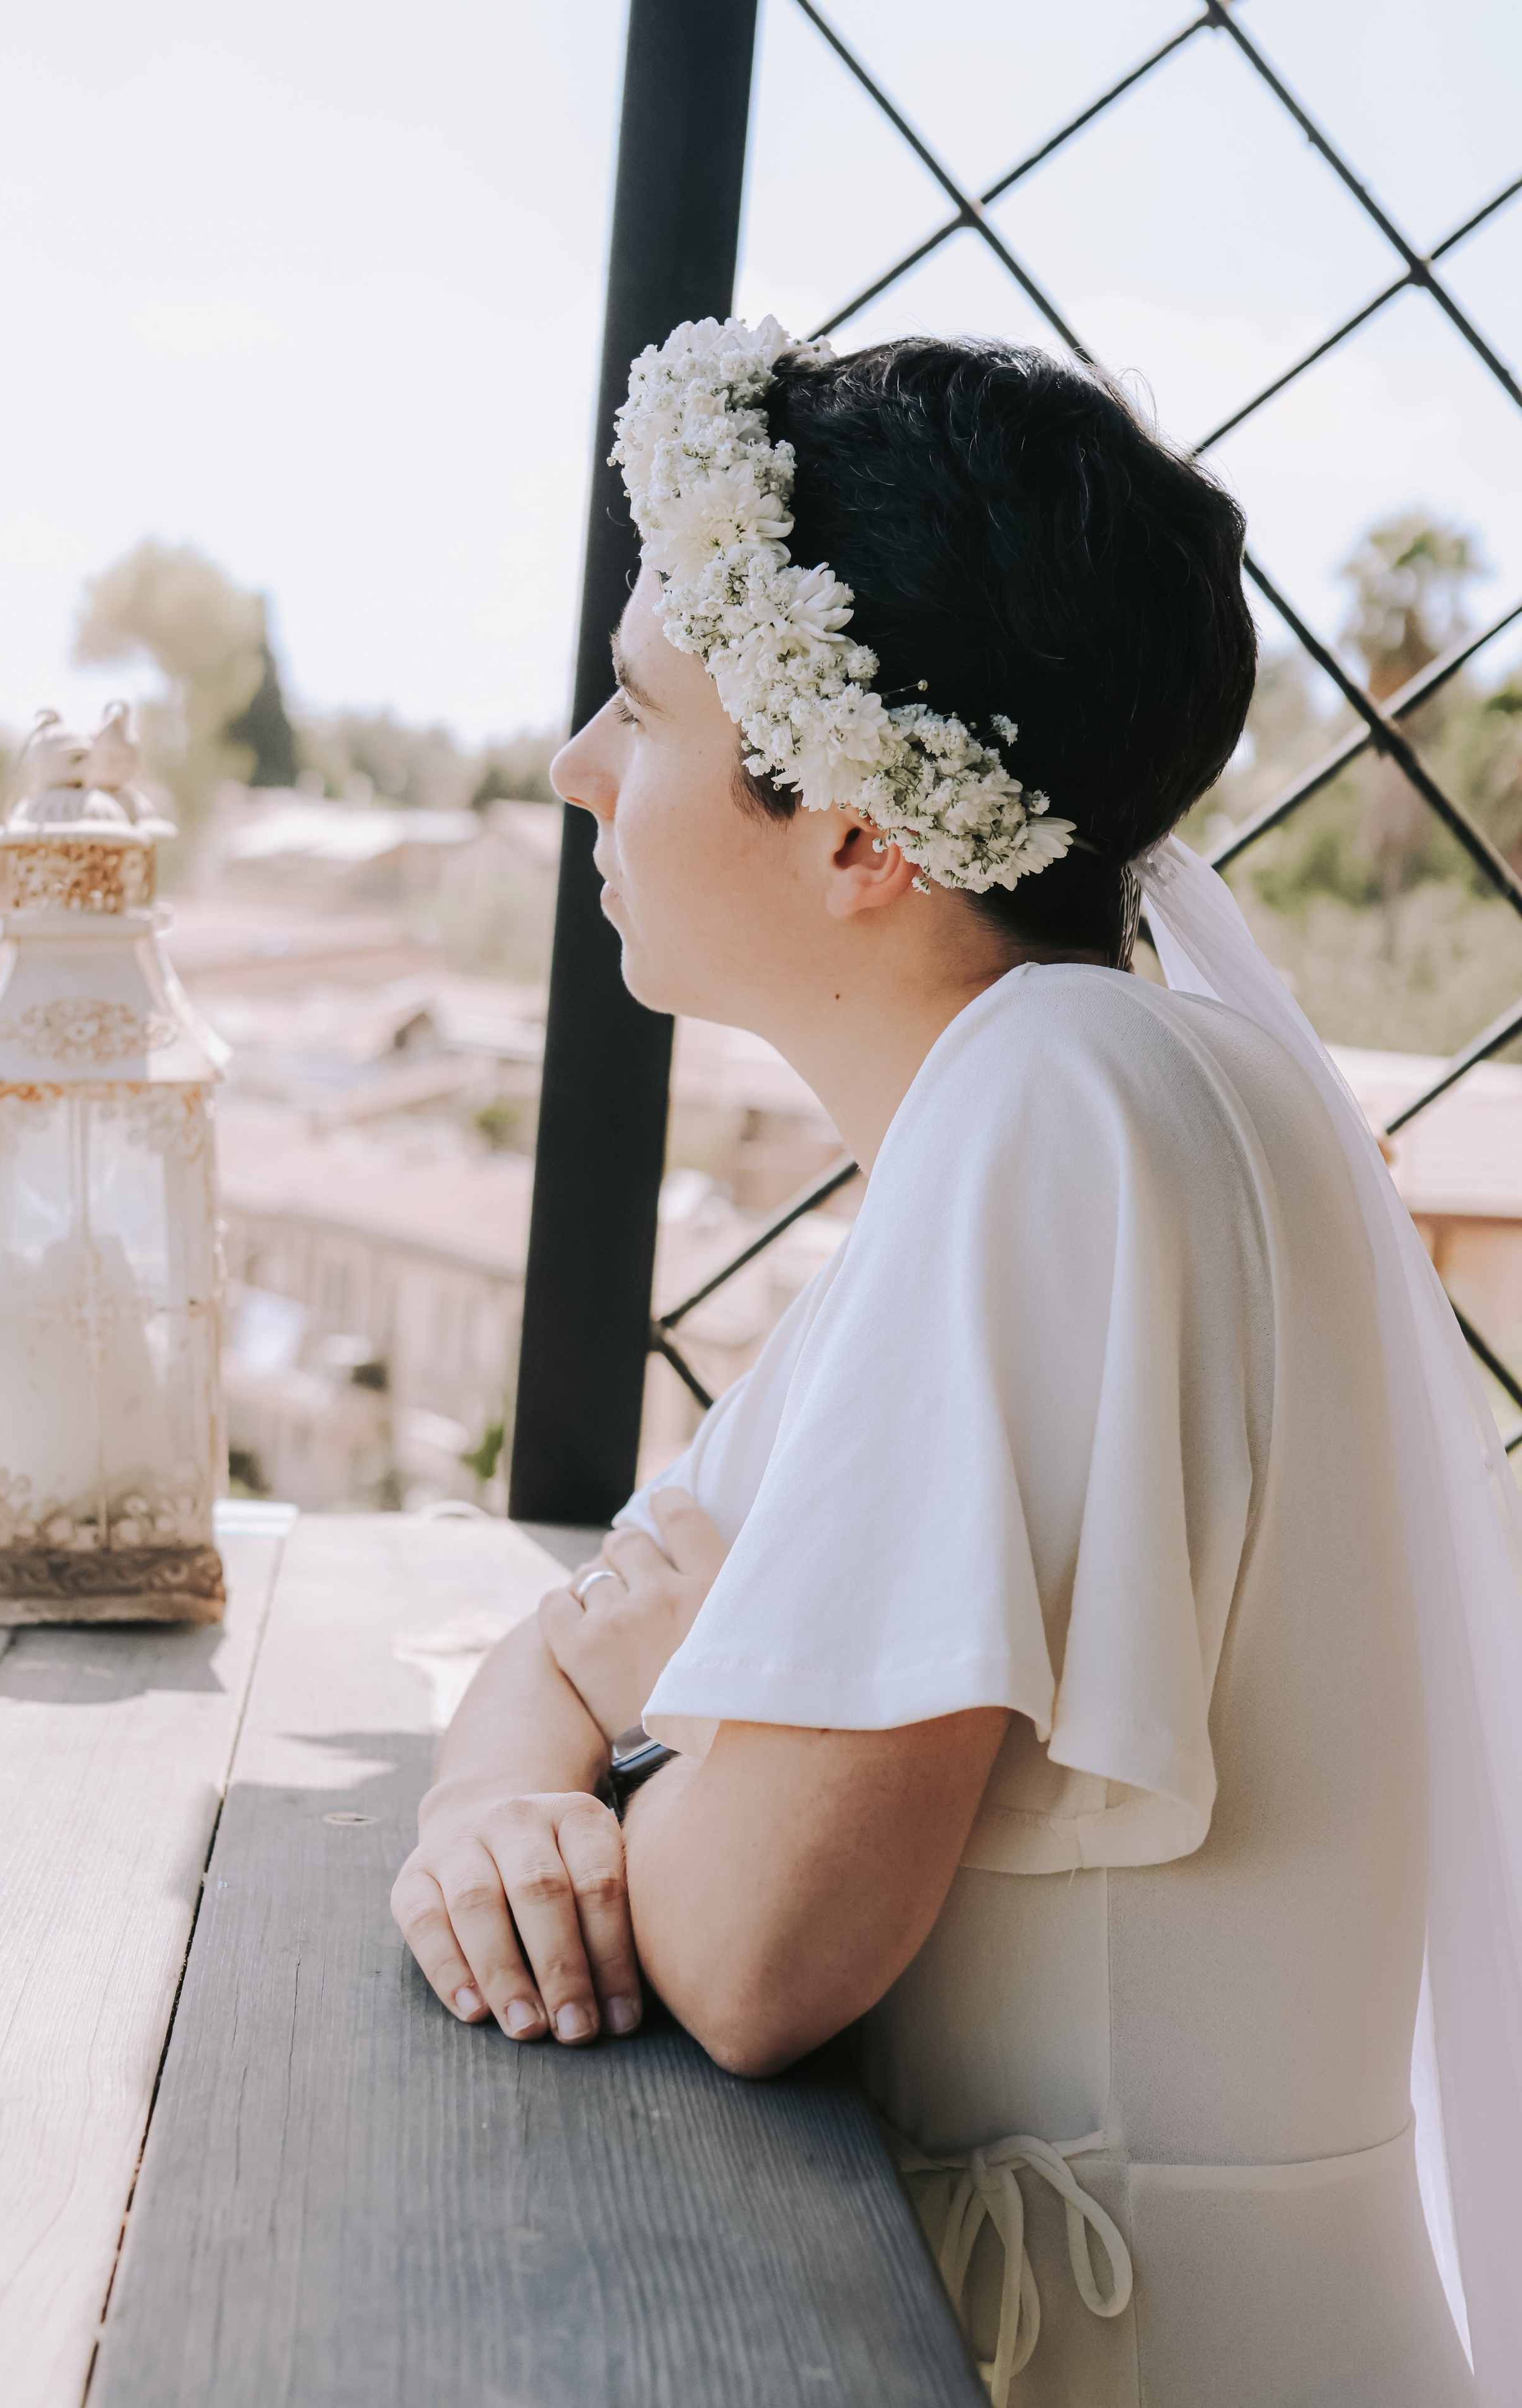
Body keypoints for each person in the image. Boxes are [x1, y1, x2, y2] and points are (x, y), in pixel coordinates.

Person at [393, 322, 1518, 2404]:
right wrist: (499, 1820)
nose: (572, 767)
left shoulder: (1059, 1105)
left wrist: (656, 1696)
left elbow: (749, 1954)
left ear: (858, 834)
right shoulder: (1023, 1138)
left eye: (640, 708)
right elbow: (565, 1659)